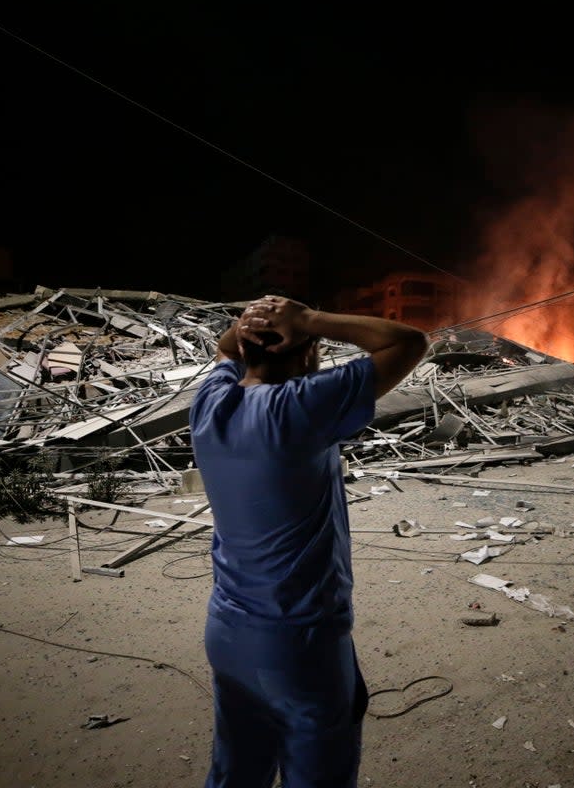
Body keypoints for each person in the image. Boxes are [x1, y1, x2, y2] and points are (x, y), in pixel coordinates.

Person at [189, 294, 429, 787]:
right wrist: (308, 318)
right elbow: (409, 342)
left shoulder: (210, 403)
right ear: (306, 352)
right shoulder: (300, 406)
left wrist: (252, 321)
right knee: (318, 773)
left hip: (228, 630)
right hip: (299, 640)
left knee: (237, 770)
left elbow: (224, 351)